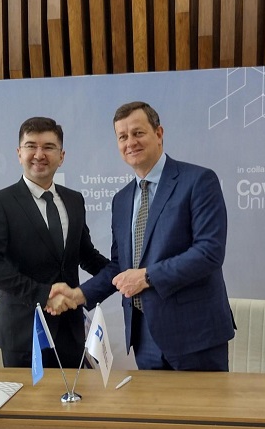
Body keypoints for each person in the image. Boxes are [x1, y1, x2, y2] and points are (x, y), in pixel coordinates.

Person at [49, 101, 235, 371]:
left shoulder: (198, 181)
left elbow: (209, 253)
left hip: (196, 336)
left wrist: (147, 277)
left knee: (204, 414)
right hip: (144, 339)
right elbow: (119, 266)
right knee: (152, 414)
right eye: (122, 137)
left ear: (159, 134)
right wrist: (78, 295)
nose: (130, 142)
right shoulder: (122, 200)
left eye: (138, 133)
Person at [0, 116, 109, 368]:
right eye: (31, 146)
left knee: (74, 404)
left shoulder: (74, 200)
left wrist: (121, 274)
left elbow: (85, 254)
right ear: (19, 153)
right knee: (29, 407)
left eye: (48, 147)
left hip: (70, 331)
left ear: (62, 156)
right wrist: (44, 294)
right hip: (24, 333)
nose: (39, 154)